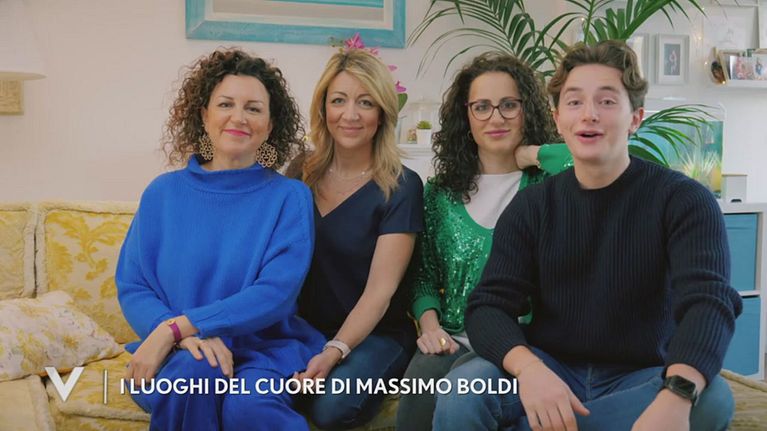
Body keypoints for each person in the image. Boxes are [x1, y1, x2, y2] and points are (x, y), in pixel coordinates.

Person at [434, 40, 743, 431]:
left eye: (607, 101)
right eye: (575, 102)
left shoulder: (684, 200)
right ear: (558, 118)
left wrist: (677, 393)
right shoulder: (532, 206)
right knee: (463, 388)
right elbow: (488, 306)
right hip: (550, 368)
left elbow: (708, 302)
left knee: (711, 400)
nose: (589, 115)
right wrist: (529, 369)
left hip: (642, 376)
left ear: (635, 118)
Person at [115, 49, 325, 431]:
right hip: (179, 354)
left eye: (253, 108)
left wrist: (181, 326)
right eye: (225, 104)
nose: (238, 117)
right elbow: (134, 285)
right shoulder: (162, 193)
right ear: (204, 115)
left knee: (249, 408)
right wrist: (175, 336)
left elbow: (276, 293)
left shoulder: (289, 197)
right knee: (197, 370)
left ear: (270, 124)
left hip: (263, 351)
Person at [395, 52, 572, 431]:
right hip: (452, 337)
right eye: (482, 107)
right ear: (466, 116)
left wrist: (531, 153)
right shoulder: (440, 193)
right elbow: (423, 275)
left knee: (465, 386)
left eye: (509, 105)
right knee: (422, 386)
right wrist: (430, 326)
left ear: (528, 110)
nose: (496, 117)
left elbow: (597, 159)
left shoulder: (548, 184)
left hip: (525, 343)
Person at [295, 48, 424, 429]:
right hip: (304, 329)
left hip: (377, 335)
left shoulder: (401, 186)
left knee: (332, 408)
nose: (350, 115)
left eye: (365, 102)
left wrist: (335, 350)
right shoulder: (299, 173)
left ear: (382, 113)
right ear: (323, 109)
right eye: (339, 100)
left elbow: (380, 293)